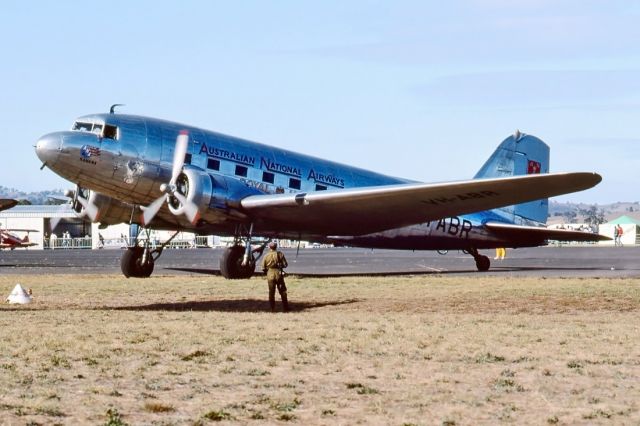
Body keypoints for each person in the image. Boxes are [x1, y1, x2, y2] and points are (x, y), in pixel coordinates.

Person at [261, 241, 290, 312]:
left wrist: (267, 272)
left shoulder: (266, 256)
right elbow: (285, 265)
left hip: (270, 274)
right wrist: (280, 266)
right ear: (276, 247)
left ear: (269, 247)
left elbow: (263, 268)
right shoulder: (280, 254)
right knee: (283, 291)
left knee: (271, 292)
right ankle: (285, 307)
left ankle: (272, 308)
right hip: (278, 274)